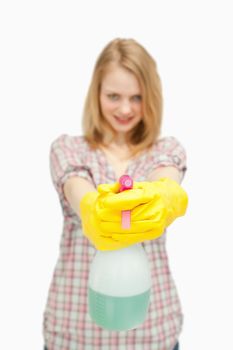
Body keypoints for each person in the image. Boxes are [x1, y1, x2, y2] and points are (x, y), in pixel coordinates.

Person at [42, 38, 188, 350]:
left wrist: (164, 194)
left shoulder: (165, 149)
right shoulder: (68, 148)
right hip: (75, 335)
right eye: (114, 96)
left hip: (152, 335)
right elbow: (74, 183)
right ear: (96, 94)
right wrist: (91, 207)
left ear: (152, 98)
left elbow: (166, 172)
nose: (125, 108)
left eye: (137, 97)